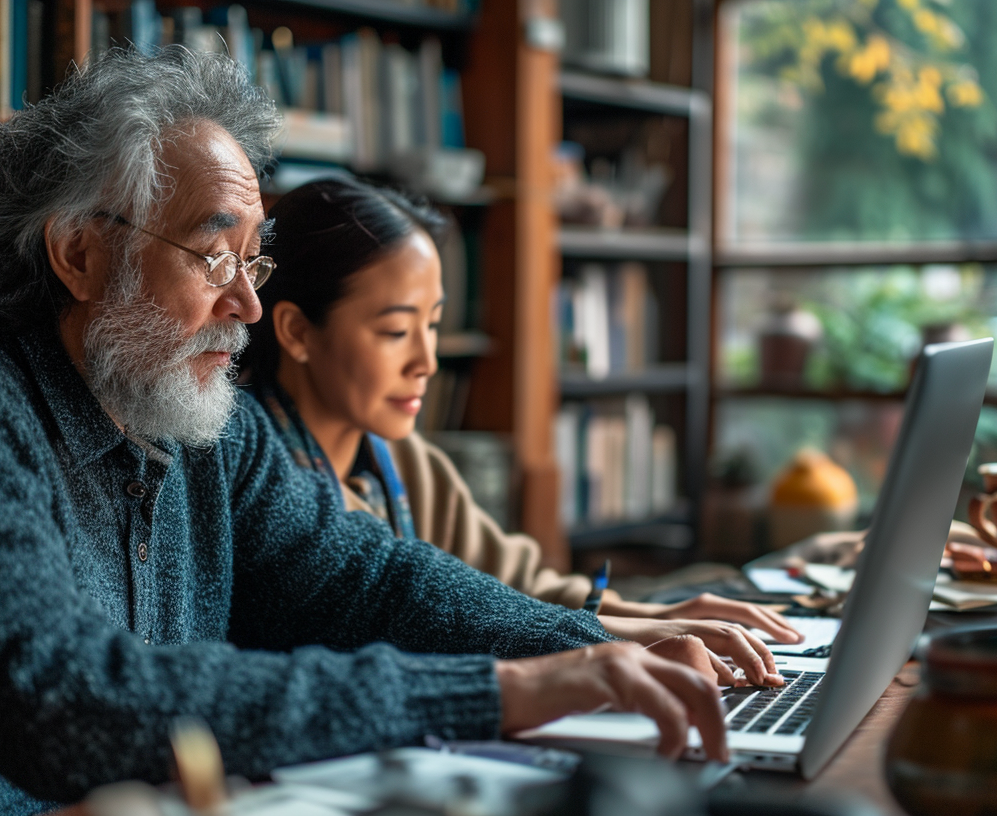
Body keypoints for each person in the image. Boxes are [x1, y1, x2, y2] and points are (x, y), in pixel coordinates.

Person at [0, 48, 748, 816]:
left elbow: (368, 577)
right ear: (78, 253)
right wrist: (502, 692)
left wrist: (593, 652)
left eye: (254, 259)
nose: (243, 303)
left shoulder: (192, 419)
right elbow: (64, 705)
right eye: (210, 253)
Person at [245, 177, 801, 651]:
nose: (427, 361)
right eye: (395, 331)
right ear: (296, 331)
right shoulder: (255, 478)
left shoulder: (407, 465)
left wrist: (652, 616)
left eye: (432, 325)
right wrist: (615, 633)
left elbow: (516, 586)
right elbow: (449, 613)